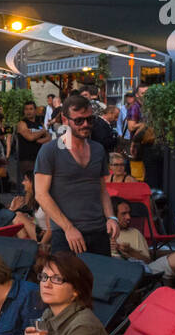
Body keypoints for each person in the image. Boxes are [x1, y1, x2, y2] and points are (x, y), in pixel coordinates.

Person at [34, 93, 118, 256]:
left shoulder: (98, 149)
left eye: (89, 119)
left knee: (99, 280)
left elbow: (101, 189)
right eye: (79, 120)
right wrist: (68, 228)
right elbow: (41, 195)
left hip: (98, 231)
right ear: (65, 121)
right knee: (68, 281)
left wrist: (111, 217)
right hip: (67, 235)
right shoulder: (50, 150)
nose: (85, 124)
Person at [111, 200, 175, 296]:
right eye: (123, 214)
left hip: (144, 271)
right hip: (120, 275)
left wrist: (130, 251)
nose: (129, 217)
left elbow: (147, 261)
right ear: (112, 215)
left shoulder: (135, 233)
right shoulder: (103, 234)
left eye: (129, 213)